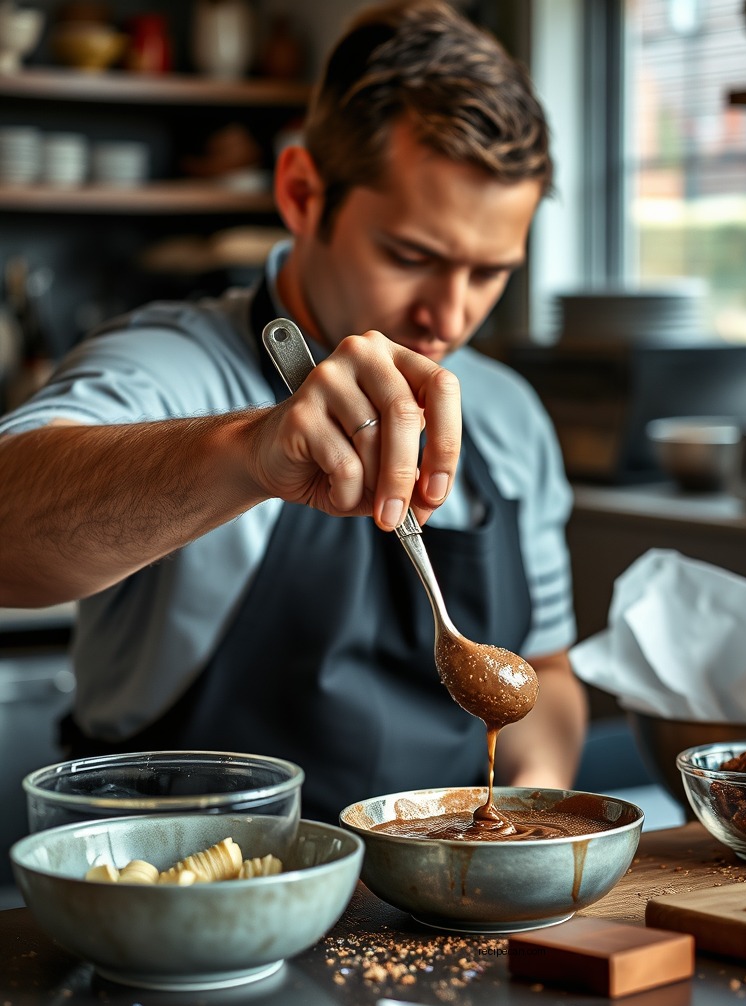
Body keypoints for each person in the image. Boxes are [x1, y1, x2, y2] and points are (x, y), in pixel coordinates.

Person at [0, 0, 587, 823]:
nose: (450, 318)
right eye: (410, 256)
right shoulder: (168, 365)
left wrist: (523, 824)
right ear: (303, 193)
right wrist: (252, 449)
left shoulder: (507, 412)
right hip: (187, 880)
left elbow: (548, 671)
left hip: (440, 882)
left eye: (490, 272)